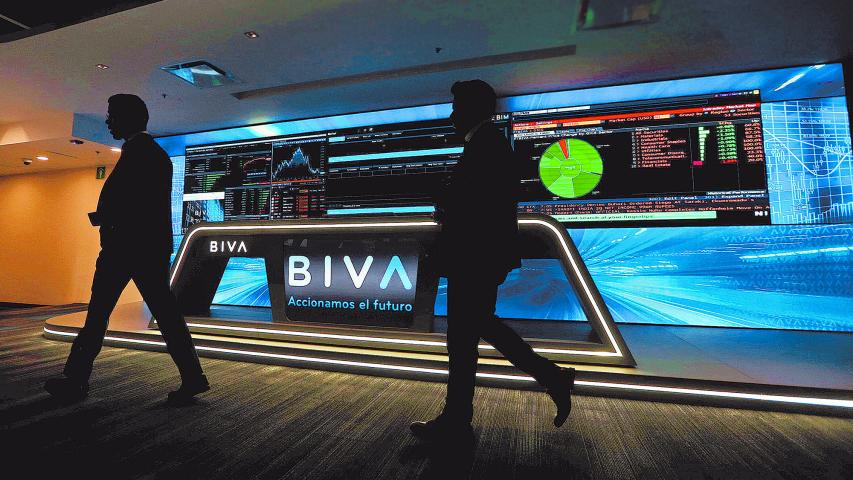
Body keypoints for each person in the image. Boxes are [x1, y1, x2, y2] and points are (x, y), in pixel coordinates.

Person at [410, 80, 576, 442]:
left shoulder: (486, 146)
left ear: (472, 109)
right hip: (480, 258)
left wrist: (445, 202)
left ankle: (462, 417)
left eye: (457, 107)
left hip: (474, 257)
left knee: (464, 337)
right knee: (472, 332)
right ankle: (548, 378)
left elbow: (477, 207)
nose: (452, 115)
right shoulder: (489, 144)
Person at [44, 94, 209, 406]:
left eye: (112, 115)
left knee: (97, 317)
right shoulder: (152, 153)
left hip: (125, 250)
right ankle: (193, 377)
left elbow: (133, 205)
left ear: (128, 118)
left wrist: (103, 217)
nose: (107, 121)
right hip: (147, 250)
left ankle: (75, 380)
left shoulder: (140, 153)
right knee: (168, 316)